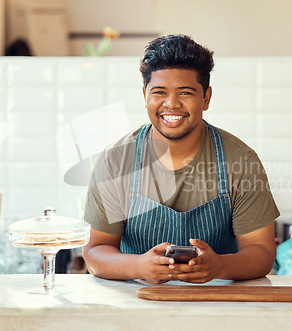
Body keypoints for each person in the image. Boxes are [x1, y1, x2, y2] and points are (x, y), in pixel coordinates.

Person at [82, 34, 279, 284]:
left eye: (185, 92)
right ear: (145, 95)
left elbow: (262, 253)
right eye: (159, 92)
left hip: (220, 303)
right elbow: (94, 252)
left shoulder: (241, 161)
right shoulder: (115, 161)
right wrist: (139, 266)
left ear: (206, 98)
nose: (171, 104)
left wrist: (218, 266)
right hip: (137, 305)